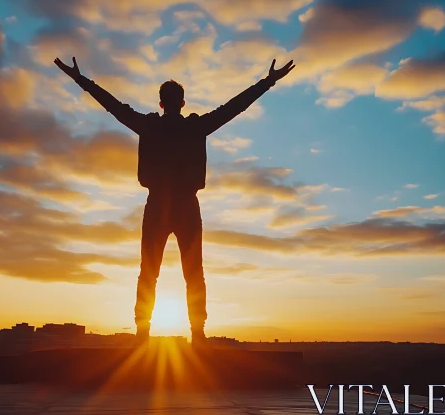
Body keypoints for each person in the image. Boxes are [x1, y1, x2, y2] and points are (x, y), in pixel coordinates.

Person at [55, 56, 295, 347]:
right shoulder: (194, 127)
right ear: (182, 103)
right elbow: (235, 107)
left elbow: (112, 105)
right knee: (193, 273)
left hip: (158, 205)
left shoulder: (149, 126)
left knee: (149, 272)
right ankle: (197, 333)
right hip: (185, 207)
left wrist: (81, 79)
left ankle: (143, 334)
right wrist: (268, 81)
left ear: (161, 103)